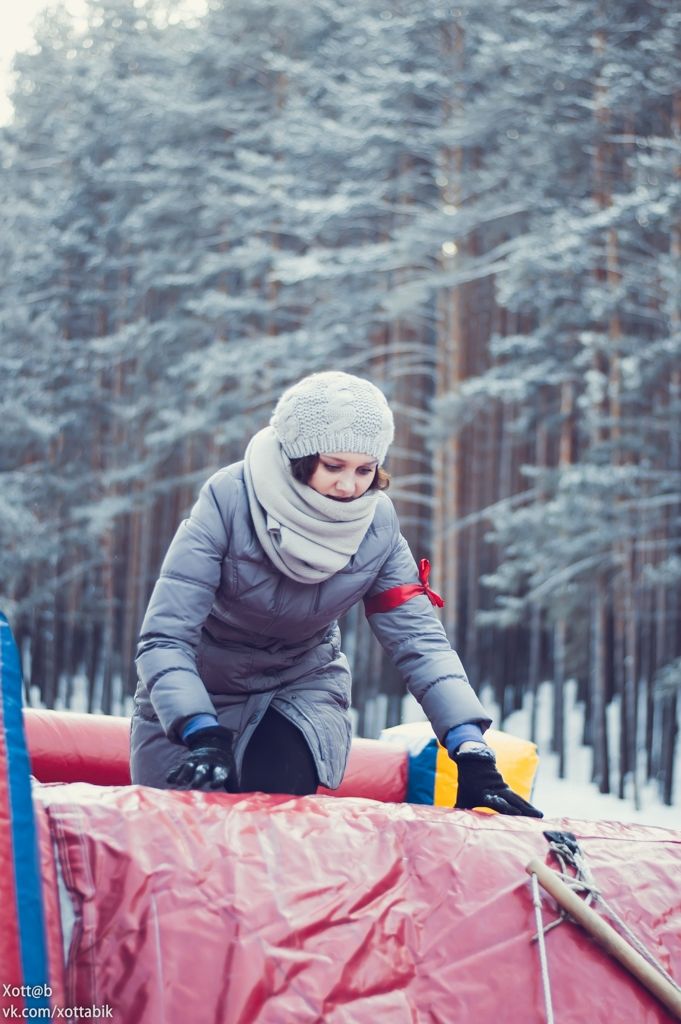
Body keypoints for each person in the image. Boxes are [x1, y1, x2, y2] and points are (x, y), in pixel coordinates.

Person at [131, 370, 542, 817]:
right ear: (299, 457)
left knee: (277, 803)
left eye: (365, 470)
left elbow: (419, 641)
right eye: (334, 467)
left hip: (299, 682)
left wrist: (470, 747)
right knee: (188, 829)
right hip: (199, 684)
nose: (349, 487)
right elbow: (165, 637)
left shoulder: (377, 526)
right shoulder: (228, 500)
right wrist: (200, 730)